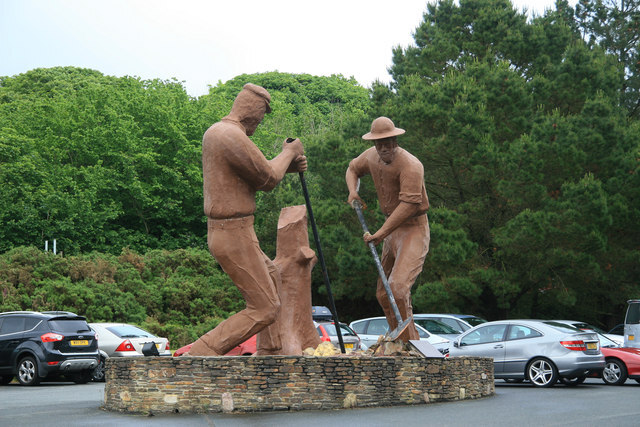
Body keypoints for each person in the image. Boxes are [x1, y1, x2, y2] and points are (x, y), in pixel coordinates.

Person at [186, 83, 306, 356]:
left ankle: (272, 349)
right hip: (231, 232)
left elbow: (254, 174)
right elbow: (267, 178)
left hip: (239, 230)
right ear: (252, 110)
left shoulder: (221, 133)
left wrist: (288, 166)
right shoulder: (228, 135)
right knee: (264, 307)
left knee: (273, 276)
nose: (260, 124)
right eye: (261, 117)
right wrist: (289, 152)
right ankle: (201, 353)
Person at [345, 116, 430, 342]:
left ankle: (410, 344)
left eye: (387, 142)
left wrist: (380, 233)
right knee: (383, 293)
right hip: (391, 231)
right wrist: (353, 190)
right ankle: (397, 339)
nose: (383, 148)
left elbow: (409, 205)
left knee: (398, 287)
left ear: (395, 141)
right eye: (378, 143)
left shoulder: (411, 165)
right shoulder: (371, 157)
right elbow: (352, 168)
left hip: (412, 229)